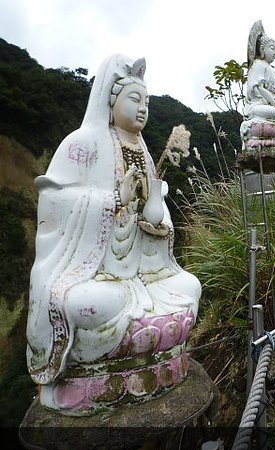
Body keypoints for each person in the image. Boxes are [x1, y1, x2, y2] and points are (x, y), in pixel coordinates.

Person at [26, 54, 201, 414]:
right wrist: (111, 200)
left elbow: (155, 216)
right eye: (134, 100)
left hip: (142, 273)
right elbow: (55, 203)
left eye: (147, 102)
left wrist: (156, 219)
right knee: (90, 305)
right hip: (98, 274)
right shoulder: (82, 145)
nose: (143, 110)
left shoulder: (145, 153)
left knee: (189, 288)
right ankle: (90, 383)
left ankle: (142, 357)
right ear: (111, 101)